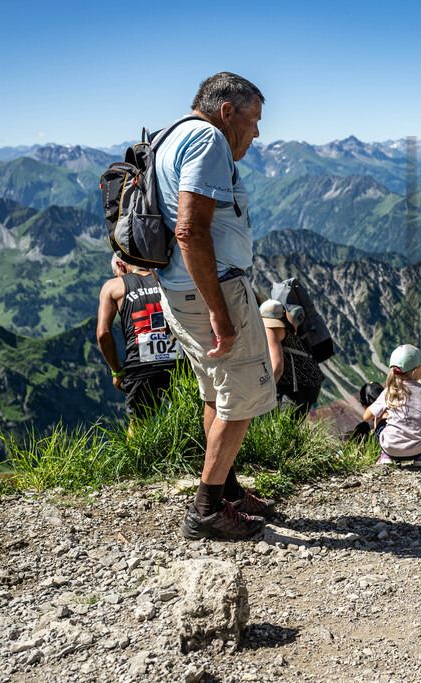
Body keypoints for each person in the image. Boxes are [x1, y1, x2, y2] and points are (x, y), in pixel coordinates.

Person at [153, 72, 277, 540]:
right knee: (241, 400)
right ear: (228, 111)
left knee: (215, 393)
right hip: (215, 291)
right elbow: (190, 229)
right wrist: (221, 313)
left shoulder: (171, 135)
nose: (258, 132)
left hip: (178, 290)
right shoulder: (208, 141)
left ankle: (226, 490)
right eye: (254, 119)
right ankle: (206, 509)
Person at [96, 256, 179, 433]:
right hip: (179, 359)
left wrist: (117, 372)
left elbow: (103, 334)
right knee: (193, 412)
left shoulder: (112, 286)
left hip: (140, 363)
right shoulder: (166, 277)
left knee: (138, 424)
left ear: (120, 264)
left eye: (117, 274)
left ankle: (138, 460)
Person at [363, 345, 421, 467]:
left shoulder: (389, 391)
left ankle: (386, 456)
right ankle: (420, 458)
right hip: (418, 449)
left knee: (381, 414)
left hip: (391, 448)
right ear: (415, 370)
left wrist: (380, 405)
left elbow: (366, 417)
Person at [260, 299, 324, 417]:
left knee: (282, 429)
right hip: (308, 383)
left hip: (298, 386)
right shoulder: (288, 325)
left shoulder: (269, 331)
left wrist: (262, 395)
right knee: (282, 427)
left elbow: (277, 368)